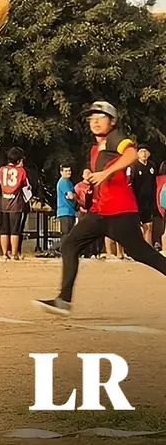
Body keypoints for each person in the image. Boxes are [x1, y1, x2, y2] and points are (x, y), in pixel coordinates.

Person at [34, 102, 166, 316]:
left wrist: (105, 173)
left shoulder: (115, 138)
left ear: (112, 121)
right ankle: (63, 300)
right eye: (91, 117)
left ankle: (63, 300)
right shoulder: (96, 148)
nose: (95, 121)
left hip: (120, 212)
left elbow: (131, 154)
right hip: (100, 212)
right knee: (70, 245)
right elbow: (103, 172)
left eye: (100, 116)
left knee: (143, 254)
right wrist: (90, 176)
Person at [0, 147, 31, 260]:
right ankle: (14, 253)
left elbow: (1, 183)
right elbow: (26, 186)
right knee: (14, 231)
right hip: (16, 204)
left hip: (3, 203)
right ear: (19, 160)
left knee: (4, 230)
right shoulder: (21, 171)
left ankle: (4, 254)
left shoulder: (1, 170)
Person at [128, 146, 157, 245]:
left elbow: (154, 184)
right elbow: (129, 184)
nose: (144, 154)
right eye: (141, 151)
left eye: (145, 151)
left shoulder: (151, 166)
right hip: (136, 201)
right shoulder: (133, 166)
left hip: (148, 201)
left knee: (148, 225)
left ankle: (149, 248)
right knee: (138, 226)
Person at [55, 165, 77, 240]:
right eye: (66, 171)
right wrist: (76, 196)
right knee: (66, 234)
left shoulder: (68, 182)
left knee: (68, 234)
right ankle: (64, 251)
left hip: (69, 211)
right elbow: (70, 196)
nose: (68, 172)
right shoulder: (64, 182)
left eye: (69, 170)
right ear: (61, 172)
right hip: (65, 211)